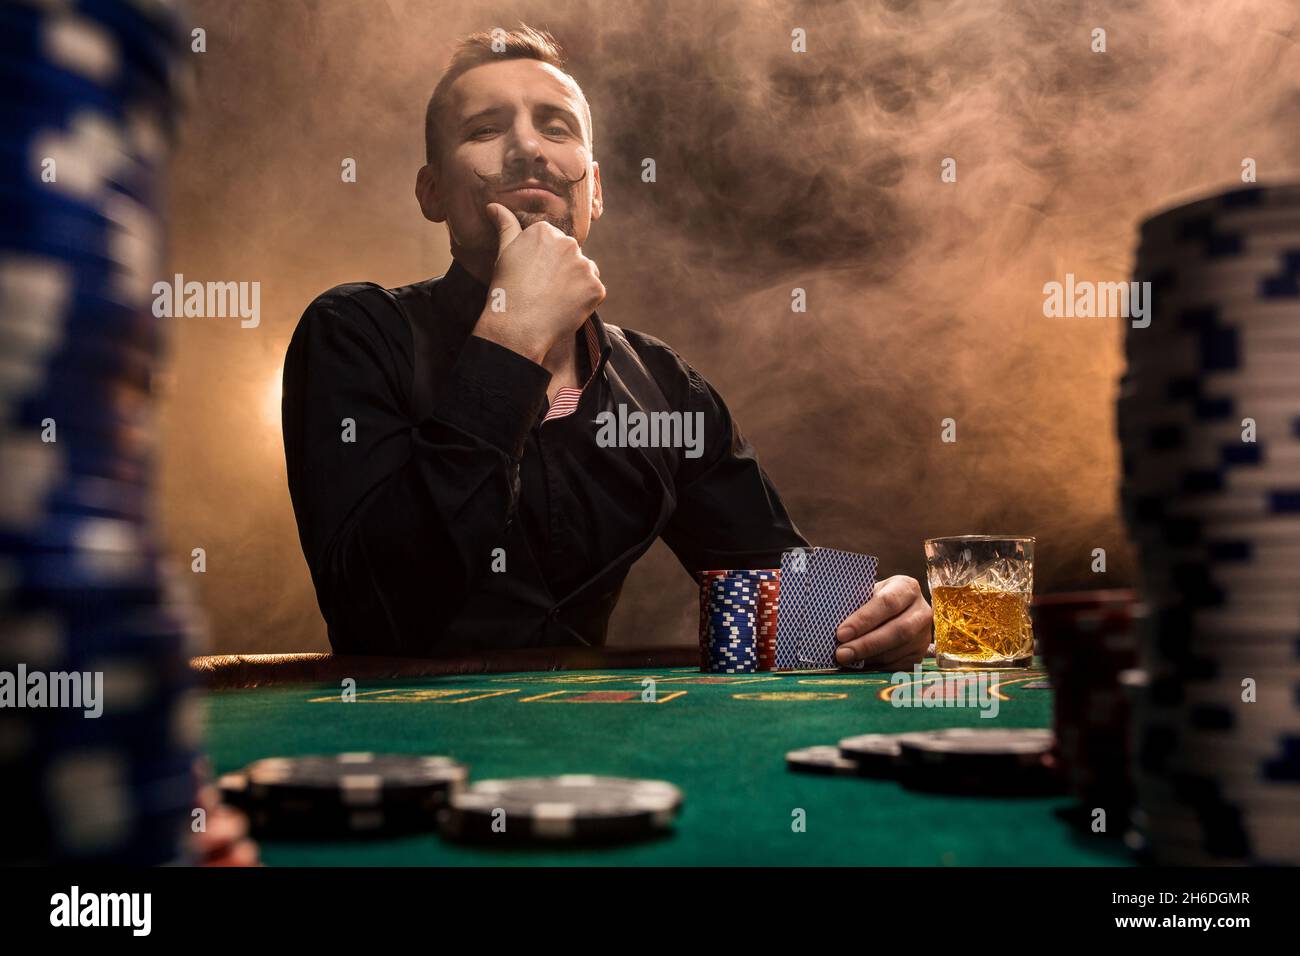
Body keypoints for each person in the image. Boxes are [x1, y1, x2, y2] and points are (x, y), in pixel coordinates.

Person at [281, 25, 932, 665]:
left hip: (592, 755)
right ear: (433, 192)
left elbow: (786, 602)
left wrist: (878, 615)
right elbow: (374, 617)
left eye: (556, 127)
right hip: (406, 752)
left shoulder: (665, 387)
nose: (528, 147)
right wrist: (513, 337)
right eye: (485, 128)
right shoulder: (354, 331)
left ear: (595, 188)